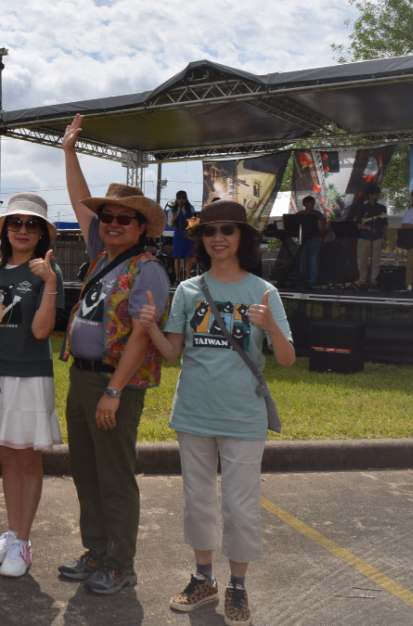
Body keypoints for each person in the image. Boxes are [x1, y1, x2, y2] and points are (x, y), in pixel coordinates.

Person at [138, 200, 295, 626]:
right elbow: (171, 353)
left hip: (244, 416)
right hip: (194, 414)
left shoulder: (264, 292)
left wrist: (272, 328)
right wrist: (151, 325)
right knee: (198, 502)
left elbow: (286, 360)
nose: (219, 238)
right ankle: (203, 579)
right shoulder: (189, 291)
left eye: (228, 229)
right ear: (201, 240)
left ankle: (238, 586)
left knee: (241, 507)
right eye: (210, 231)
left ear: (242, 237)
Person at [57, 113, 171, 595]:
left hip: (113, 383)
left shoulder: (148, 270)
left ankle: (121, 563)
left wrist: (113, 389)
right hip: (82, 378)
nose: (112, 223)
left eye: (124, 218)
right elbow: (80, 201)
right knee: (86, 472)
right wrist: (69, 152)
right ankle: (97, 551)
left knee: (115, 477)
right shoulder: (102, 253)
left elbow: (143, 338)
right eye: (108, 217)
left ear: (142, 227)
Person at [0, 193, 64, 578]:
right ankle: (11, 532)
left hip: (29, 374)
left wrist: (49, 282)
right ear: (5, 230)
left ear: (41, 232)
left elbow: (42, 331)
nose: (22, 230)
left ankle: (24, 542)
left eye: (31, 224)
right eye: (15, 223)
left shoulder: (46, 273)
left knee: (27, 458)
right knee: (6, 455)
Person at [351, 184, 387, 289]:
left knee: (376, 260)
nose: (378, 196)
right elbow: (357, 223)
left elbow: (385, 224)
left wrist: (385, 238)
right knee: (363, 260)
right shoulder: (363, 208)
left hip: (378, 237)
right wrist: (367, 227)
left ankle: (373, 280)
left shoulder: (382, 208)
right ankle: (363, 281)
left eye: (378, 194)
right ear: (370, 195)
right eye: (376, 194)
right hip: (364, 236)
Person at [167, 190, 196, 283]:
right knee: (177, 256)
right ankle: (177, 279)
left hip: (187, 232)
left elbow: (195, 222)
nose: (181, 200)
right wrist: (173, 220)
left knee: (188, 255)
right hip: (178, 231)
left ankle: (187, 278)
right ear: (176, 199)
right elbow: (170, 224)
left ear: (186, 199)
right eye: (179, 198)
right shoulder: (173, 210)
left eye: (183, 198)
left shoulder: (191, 209)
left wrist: (190, 222)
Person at [298, 195, 327, 287]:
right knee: (302, 262)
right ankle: (302, 281)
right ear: (305, 204)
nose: (313, 205)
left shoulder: (317, 214)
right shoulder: (299, 215)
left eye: (314, 203)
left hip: (314, 239)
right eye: (311, 203)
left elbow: (323, 225)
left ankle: (312, 281)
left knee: (313, 261)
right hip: (303, 240)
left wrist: (322, 227)